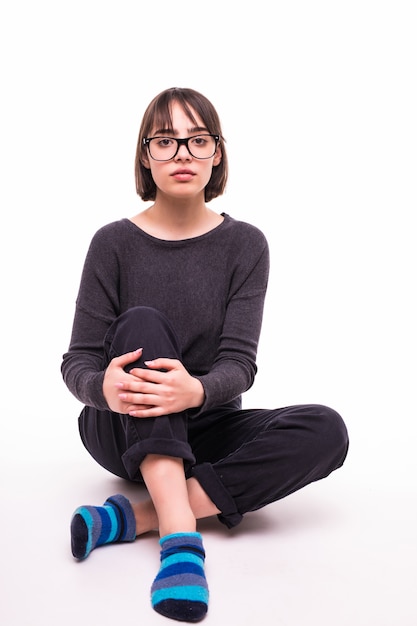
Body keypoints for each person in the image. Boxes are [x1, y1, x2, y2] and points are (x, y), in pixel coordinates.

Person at [61, 86, 349, 623]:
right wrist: (101, 387)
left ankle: (135, 517)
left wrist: (196, 390)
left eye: (197, 141)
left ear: (217, 152)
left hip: (204, 425)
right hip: (121, 425)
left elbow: (239, 366)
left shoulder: (245, 245)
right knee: (142, 321)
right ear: (146, 154)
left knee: (326, 430)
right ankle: (180, 545)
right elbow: (76, 361)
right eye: (166, 142)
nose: (183, 155)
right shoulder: (112, 243)